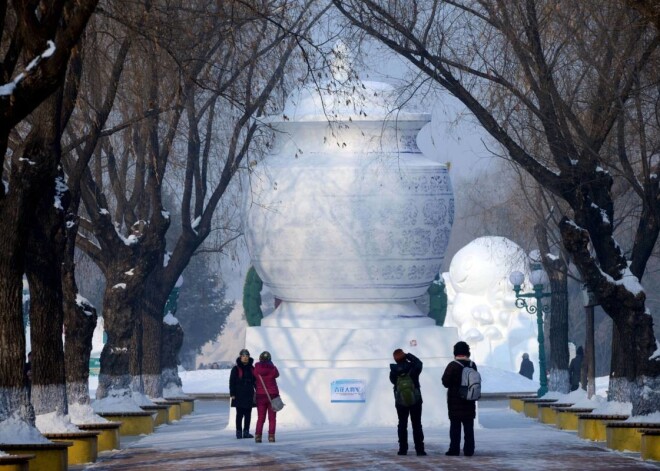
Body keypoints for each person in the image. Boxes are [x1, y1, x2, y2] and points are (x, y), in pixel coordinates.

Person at [442, 341, 477, 457]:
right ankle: (469, 450)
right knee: (469, 429)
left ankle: (454, 449)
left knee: (455, 428)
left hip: (455, 402)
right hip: (469, 401)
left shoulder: (452, 365)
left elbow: (445, 382)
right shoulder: (472, 365)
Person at [390, 348, 425, 456]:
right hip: (416, 399)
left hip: (400, 401)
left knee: (402, 424)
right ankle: (420, 450)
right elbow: (419, 363)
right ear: (404, 356)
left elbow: (392, 381)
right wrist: (408, 355)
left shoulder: (394, 370)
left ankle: (402, 450)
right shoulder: (413, 367)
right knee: (417, 424)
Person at [229, 348, 256, 439]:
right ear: (240, 357)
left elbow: (256, 382)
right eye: (243, 356)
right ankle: (239, 432)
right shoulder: (236, 369)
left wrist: (258, 392)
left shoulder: (252, 368)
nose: (245, 358)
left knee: (248, 414)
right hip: (239, 394)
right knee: (239, 414)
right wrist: (232, 393)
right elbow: (232, 382)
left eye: (247, 356)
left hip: (249, 394)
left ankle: (246, 432)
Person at [254, 350, 280, 443]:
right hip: (273, 395)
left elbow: (254, 375)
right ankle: (271, 436)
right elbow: (277, 374)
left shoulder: (256, 368)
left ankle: (258, 436)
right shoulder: (273, 369)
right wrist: (271, 364)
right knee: (272, 418)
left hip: (260, 396)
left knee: (261, 417)